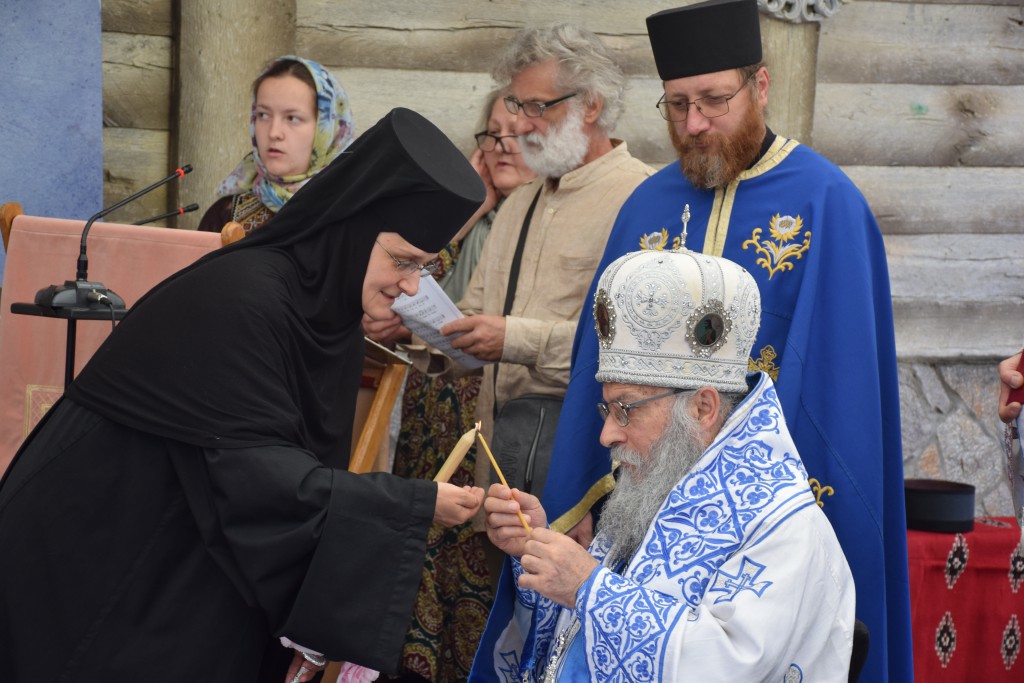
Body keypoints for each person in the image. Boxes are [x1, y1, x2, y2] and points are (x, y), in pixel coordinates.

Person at [0, 108, 486, 683]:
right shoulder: (240, 298)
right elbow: (260, 482)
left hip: (189, 563)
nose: (410, 286)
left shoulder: (328, 316)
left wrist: (306, 626)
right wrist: (413, 505)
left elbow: (287, 480)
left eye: (424, 268)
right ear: (348, 227)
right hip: (100, 571)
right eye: (401, 261)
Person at [537, 1, 912, 681]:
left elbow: (840, 388)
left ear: (759, 86)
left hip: (766, 521)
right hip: (646, 506)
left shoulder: (828, 205)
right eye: (678, 105)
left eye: (714, 100)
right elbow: (602, 370)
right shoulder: (646, 205)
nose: (694, 124)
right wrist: (582, 498)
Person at [479, 247, 856, 681]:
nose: (607, 435)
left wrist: (589, 587)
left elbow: (723, 666)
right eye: (607, 410)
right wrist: (537, 550)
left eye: (626, 409)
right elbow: (576, 643)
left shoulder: (784, 528)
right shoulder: (657, 483)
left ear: (702, 409)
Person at [439, 23, 653, 499]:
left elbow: (636, 343)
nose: (520, 124)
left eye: (537, 106)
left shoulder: (642, 198)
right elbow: (474, 310)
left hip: (589, 470)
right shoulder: (519, 201)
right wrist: (423, 330)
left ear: (591, 105)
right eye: (516, 105)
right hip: (503, 460)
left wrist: (514, 339)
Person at [382, 91, 536, 683]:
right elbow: (420, 281)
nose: (500, 148)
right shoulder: (474, 227)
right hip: (427, 414)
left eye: (515, 136)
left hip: (485, 422)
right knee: (417, 553)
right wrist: (470, 206)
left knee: (470, 565)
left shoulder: (537, 229)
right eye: (491, 135)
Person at [198, 55, 354, 235]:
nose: (273, 133)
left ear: (329, 129)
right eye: (263, 115)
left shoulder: (356, 214)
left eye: (292, 118)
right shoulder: (225, 216)